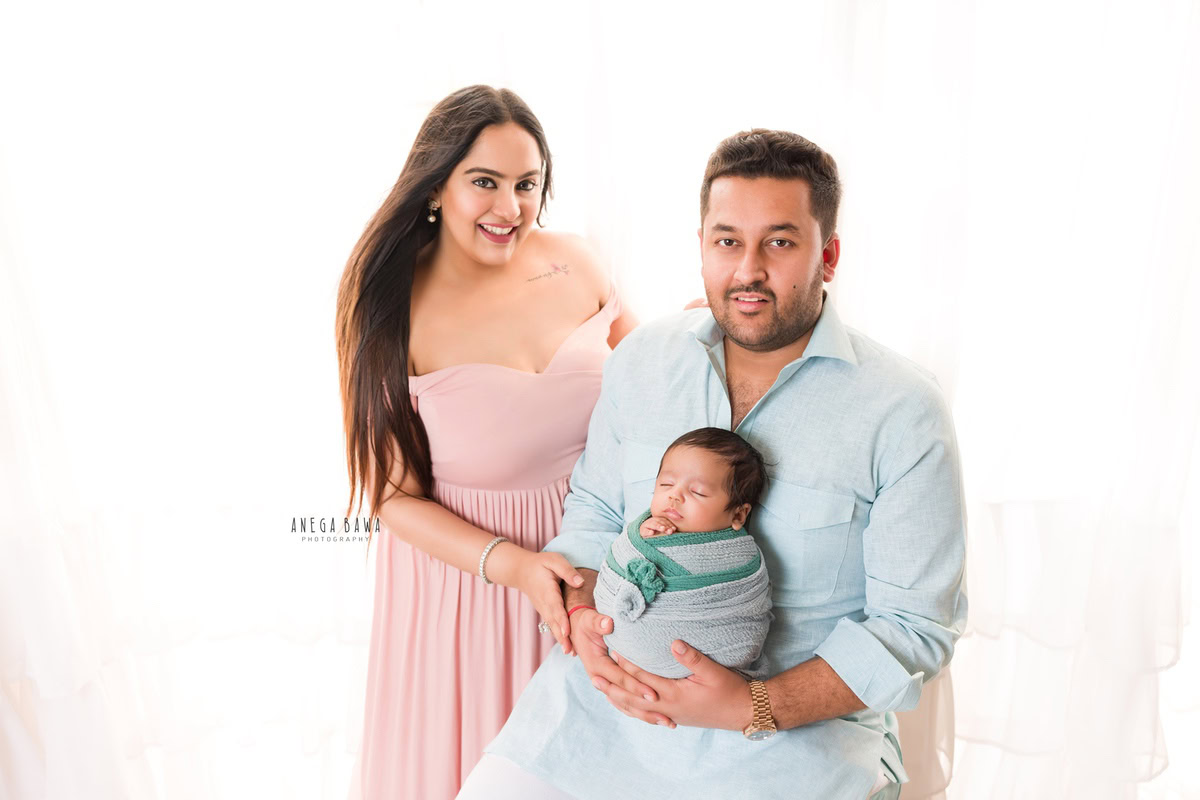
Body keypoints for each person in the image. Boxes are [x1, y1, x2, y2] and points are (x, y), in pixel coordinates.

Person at [457, 129, 967, 800]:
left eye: (779, 242)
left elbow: (914, 628)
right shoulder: (643, 361)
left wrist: (751, 706)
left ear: (830, 254)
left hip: (789, 749)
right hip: (591, 721)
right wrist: (581, 618)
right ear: (702, 243)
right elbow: (597, 513)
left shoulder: (904, 410)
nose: (748, 269)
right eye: (728, 241)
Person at [334, 85, 636, 800]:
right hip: (468, 590)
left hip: (594, 571)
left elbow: (652, 390)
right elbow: (392, 496)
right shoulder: (388, 303)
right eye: (485, 183)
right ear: (436, 184)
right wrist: (516, 566)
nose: (511, 208)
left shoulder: (578, 263)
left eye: (527, 185)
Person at [593, 427, 773, 681]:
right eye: (666, 484)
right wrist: (643, 533)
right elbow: (623, 553)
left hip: (714, 677)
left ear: (738, 515)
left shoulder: (735, 557)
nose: (674, 495)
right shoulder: (648, 528)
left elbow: (746, 607)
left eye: (697, 492)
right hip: (616, 655)